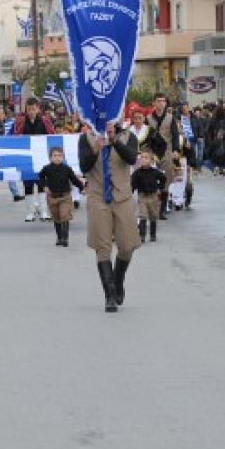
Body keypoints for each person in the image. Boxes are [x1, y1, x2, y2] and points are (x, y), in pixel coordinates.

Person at [79, 122, 139, 313]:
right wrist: (96, 148)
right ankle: (109, 294)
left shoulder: (128, 136)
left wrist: (114, 141)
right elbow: (84, 166)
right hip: (98, 197)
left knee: (127, 246)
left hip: (123, 197)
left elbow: (130, 159)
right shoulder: (86, 137)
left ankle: (118, 278)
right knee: (102, 247)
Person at [14, 98, 55, 222]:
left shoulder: (45, 121)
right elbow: (15, 137)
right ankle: (30, 212)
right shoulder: (21, 122)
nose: (31, 112)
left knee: (42, 184)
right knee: (28, 185)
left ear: (38, 109)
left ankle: (43, 211)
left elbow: (51, 136)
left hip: (41, 158)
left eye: (33, 109)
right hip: (26, 158)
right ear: (26, 109)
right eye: (29, 109)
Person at [37, 146, 84, 247]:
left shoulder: (67, 168)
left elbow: (74, 179)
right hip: (52, 197)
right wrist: (44, 186)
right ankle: (59, 237)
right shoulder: (46, 168)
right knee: (56, 217)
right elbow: (40, 177)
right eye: (54, 156)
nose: (57, 158)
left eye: (59, 156)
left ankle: (65, 238)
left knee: (64, 215)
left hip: (65, 197)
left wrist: (82, 187)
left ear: (63, 157)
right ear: (50, 157)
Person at [147, 93, 180, 220]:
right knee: (151, 180)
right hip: (152, 152)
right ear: (153, 103)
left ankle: (162, 210)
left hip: (167, 152)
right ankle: (152, 207)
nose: (161, 103)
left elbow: (175, 135)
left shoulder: (170, 118)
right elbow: (146, 135)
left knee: (166, 180)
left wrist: (176, 150)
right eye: (159, 101)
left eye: (163, 101)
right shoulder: (148, 118)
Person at [132, 152, 167, 243]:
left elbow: (163, 178)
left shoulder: (155, 172)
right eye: (142, 157)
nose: (143, 159)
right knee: (142, 215)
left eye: (146, 157)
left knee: (153, 215)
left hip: (153, 196)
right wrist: (132, 189)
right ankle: (142, 235)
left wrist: (160, 187)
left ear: (151, 161)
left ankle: (153, 235)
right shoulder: (137, 172)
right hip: (142, 196)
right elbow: (132, 183)